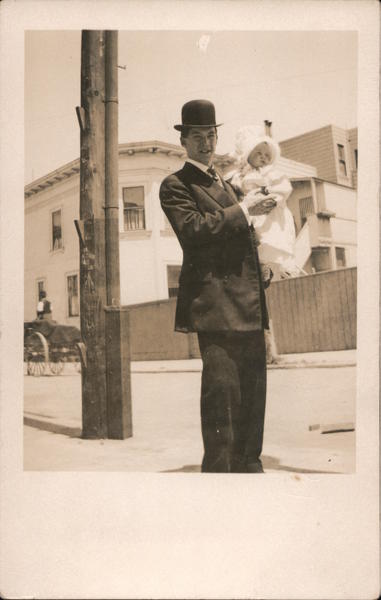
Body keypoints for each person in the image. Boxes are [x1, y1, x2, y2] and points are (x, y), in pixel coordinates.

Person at [159, 99, 276, 473]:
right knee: (223, 411)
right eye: (198, 137)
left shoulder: (227, 183)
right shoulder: (175, 185)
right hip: (217, 313)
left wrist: (263, 268)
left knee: (252, 411)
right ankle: (218, 495)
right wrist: (243, 211)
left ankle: (251, 478)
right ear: (184, 141)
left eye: (211, 135)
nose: (207, 144)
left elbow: (239, 238)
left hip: (249, 307)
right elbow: (194, 231)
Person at [228, 126, 299, 279]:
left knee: (276, 237)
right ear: (248, 156)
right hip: (254, 212)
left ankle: (286, 265)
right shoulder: (241, 175)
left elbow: (283, 189)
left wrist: (271, 195)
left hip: (273, 212)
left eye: (267, 155)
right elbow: (238, 189)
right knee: (259, 241)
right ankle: (263, 266)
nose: (263, 157)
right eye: (258, 153)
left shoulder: (272, 173)